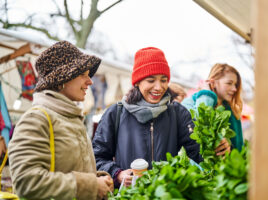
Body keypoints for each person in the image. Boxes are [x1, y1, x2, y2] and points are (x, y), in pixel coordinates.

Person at [8, 41, 113, 200]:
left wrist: (99, 179)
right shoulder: (36, 119)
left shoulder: (71, 117)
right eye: (82, 74)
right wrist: (91, 185)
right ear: (61, 78)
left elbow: (67, 168)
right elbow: (26, 181)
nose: (90, 81)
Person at [92, 47, 202, 187]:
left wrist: (216, 147)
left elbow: (198, 153)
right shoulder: (115, 113)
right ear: (137, 82)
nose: (159, 87)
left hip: (165, 194)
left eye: (164, 80)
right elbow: (96, 158)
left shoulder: (178, 113)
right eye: (151, 80)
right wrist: (117, 174)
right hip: (129, 196)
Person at [182, 63, 244, 151]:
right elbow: (199, 125)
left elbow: (239, 151)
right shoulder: (189, 103)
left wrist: (228, 148)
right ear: (213, 83)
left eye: (235, 84)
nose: (234, 89)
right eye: (229, 83)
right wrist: (206, 95)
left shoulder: (232, 112)